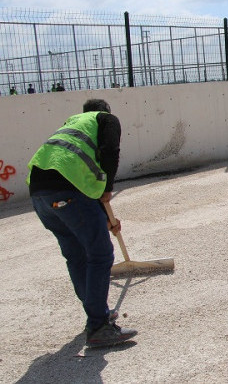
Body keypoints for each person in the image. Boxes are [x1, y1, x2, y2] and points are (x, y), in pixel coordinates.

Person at [27, 98, 137, 348]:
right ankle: (98, 326)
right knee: (100, 255)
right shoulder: (105, 119)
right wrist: (108, 188)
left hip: (40, 196)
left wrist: (105, 218)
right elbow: (111, 151)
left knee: (76, 255)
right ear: (105, 111)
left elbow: (75, 173)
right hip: (69, 193)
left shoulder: (72, 124)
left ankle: (97, 314)